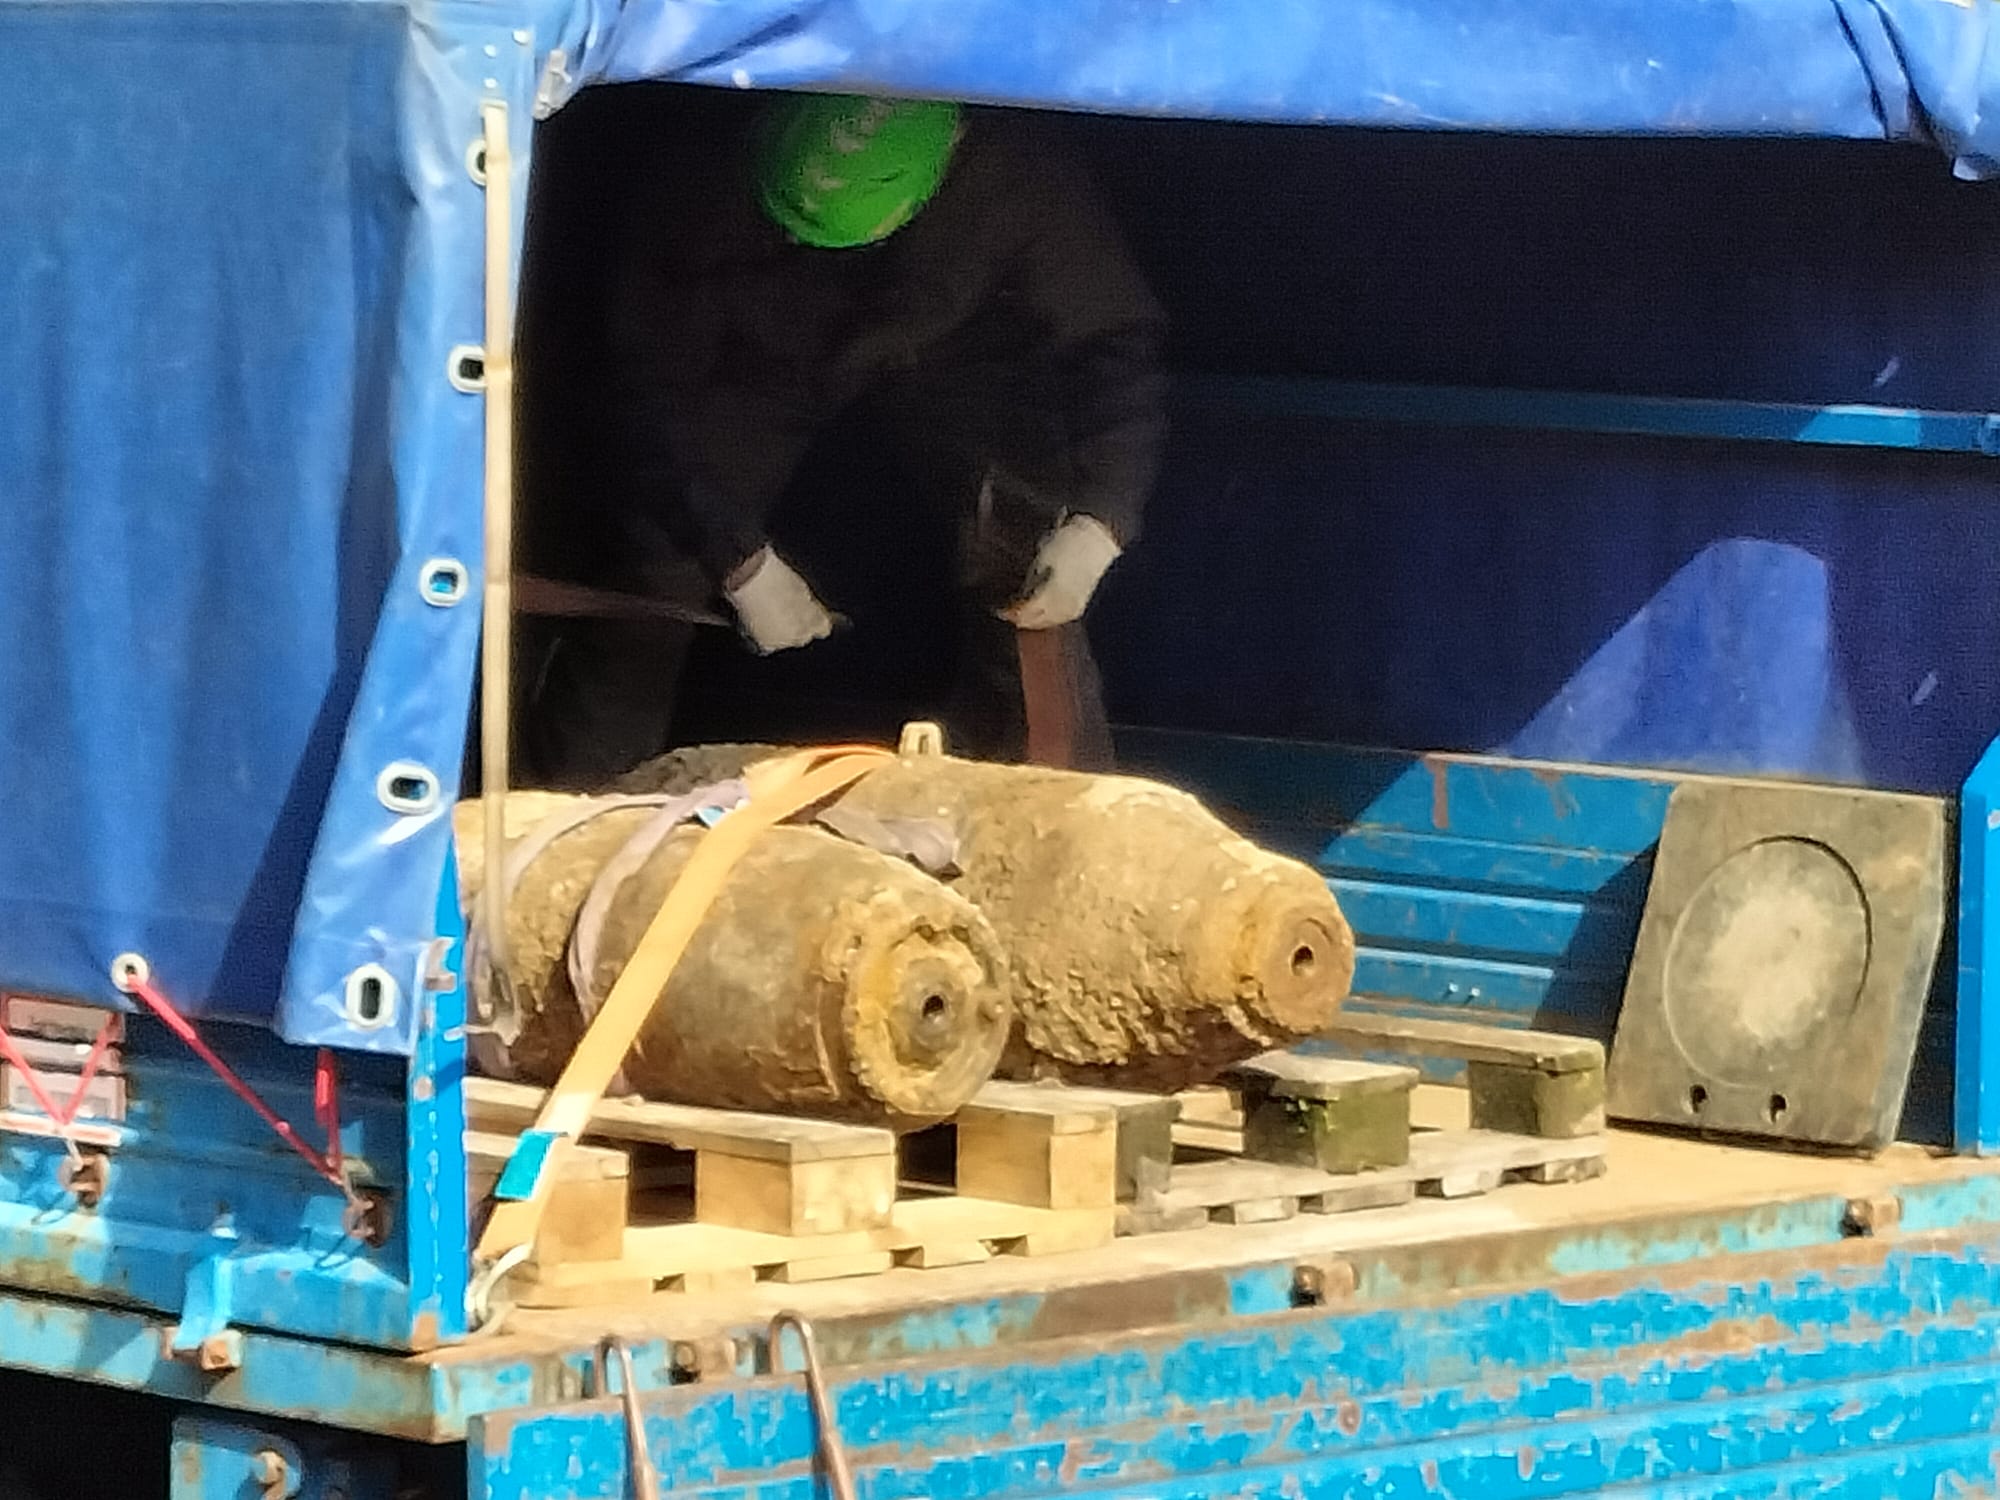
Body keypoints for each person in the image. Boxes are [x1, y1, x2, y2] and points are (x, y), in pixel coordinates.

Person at [518, 92, 1167, 786]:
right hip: (761, 348)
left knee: (1029, 548)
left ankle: (1054, 809)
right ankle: (574, 812)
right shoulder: (699, 181)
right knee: (659, 562)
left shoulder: (1020, 179)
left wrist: (1103, 518)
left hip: (955, 340)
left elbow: (1116, 339)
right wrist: (736, 560)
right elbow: (644, 387)